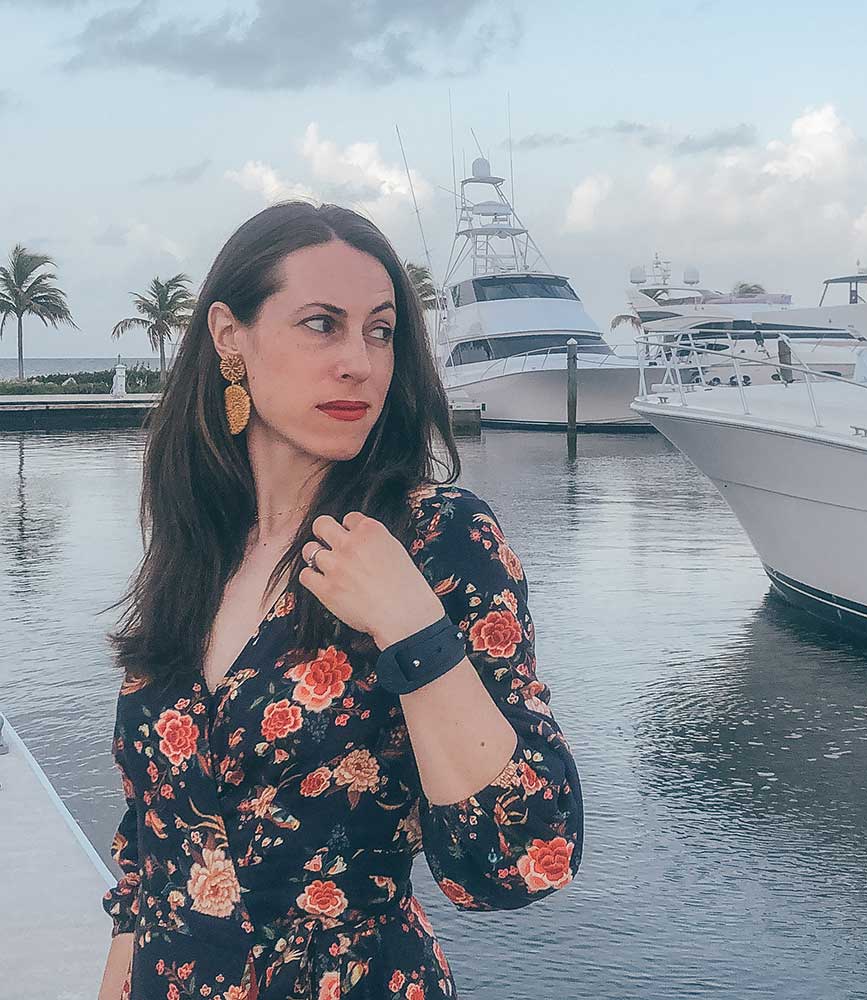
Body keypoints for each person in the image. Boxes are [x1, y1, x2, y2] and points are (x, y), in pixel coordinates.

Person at [96, 202, 585, 1000]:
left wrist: (413, 626)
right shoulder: (198, 550)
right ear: (230, 338)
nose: (359, 361)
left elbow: (526, 860)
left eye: (380, 330)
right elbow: (149, 862)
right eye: (322, 325)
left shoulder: (438, 541)